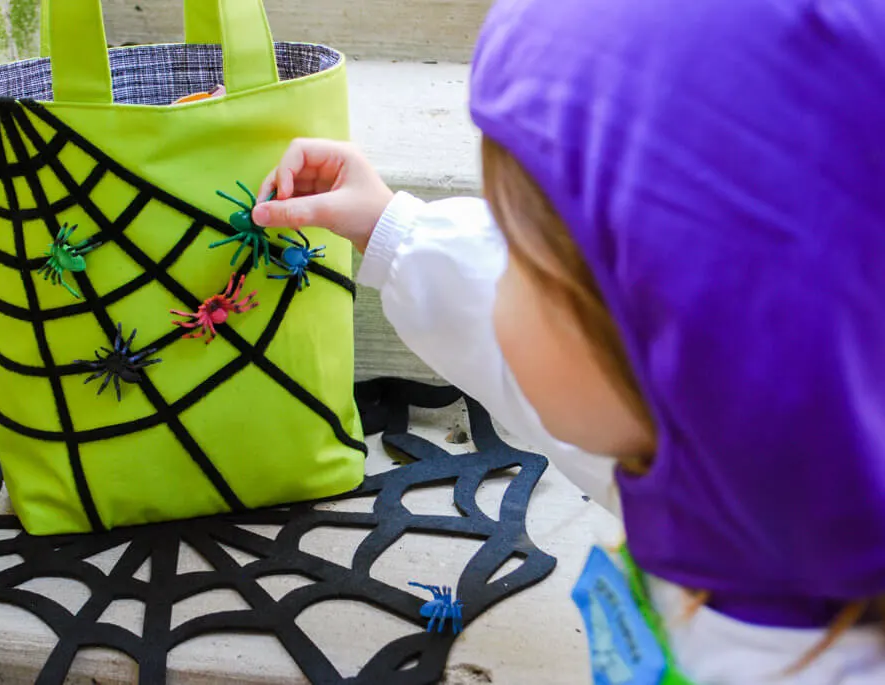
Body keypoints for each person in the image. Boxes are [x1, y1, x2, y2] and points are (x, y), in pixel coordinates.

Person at [251, 0, 885, 682]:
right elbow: (535, 360)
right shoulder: (709, 445)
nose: (499, 280)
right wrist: (389, 231)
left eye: (522, 256)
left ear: (680, 331)